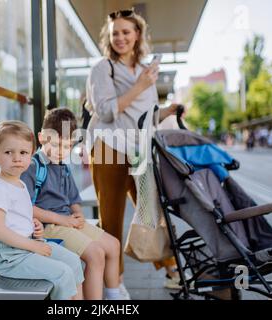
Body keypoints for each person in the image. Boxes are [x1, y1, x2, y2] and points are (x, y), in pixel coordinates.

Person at [85, 8, 183, 290]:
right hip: (108, 146)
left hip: (137, 149)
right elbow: (105, 111)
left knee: (150, 211)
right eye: (115, 33)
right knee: (111, 218)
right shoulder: (103, 68)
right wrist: (140, 86)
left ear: (137, 34)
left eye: (126, 32)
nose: (120, 38)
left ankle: (171, 270)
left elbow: (148, 115)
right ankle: (114, 285)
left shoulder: (145, 72)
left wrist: (168, 111)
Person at [21, 108, 128, 300]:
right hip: (48, 227)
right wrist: (63, 220)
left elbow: (73, 199)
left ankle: (114, 297)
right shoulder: (32, 166)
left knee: (113, 245)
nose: (62, 152)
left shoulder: (63, 166)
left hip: (67, 222)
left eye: (68, 146)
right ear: (41, 137)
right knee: (96, 254)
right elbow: (27, 208)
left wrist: (78, 214)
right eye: (56, 144)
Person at [0, 120, 84, 300]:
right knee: (63, 273)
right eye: (8, 152)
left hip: (24, 246)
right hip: (7, 255)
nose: (17, 158)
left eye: (23, 152)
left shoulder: (19, 184)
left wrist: (34, 225)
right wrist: (34, 246)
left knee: (74, 261)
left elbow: (17, 216)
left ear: (31, 155)